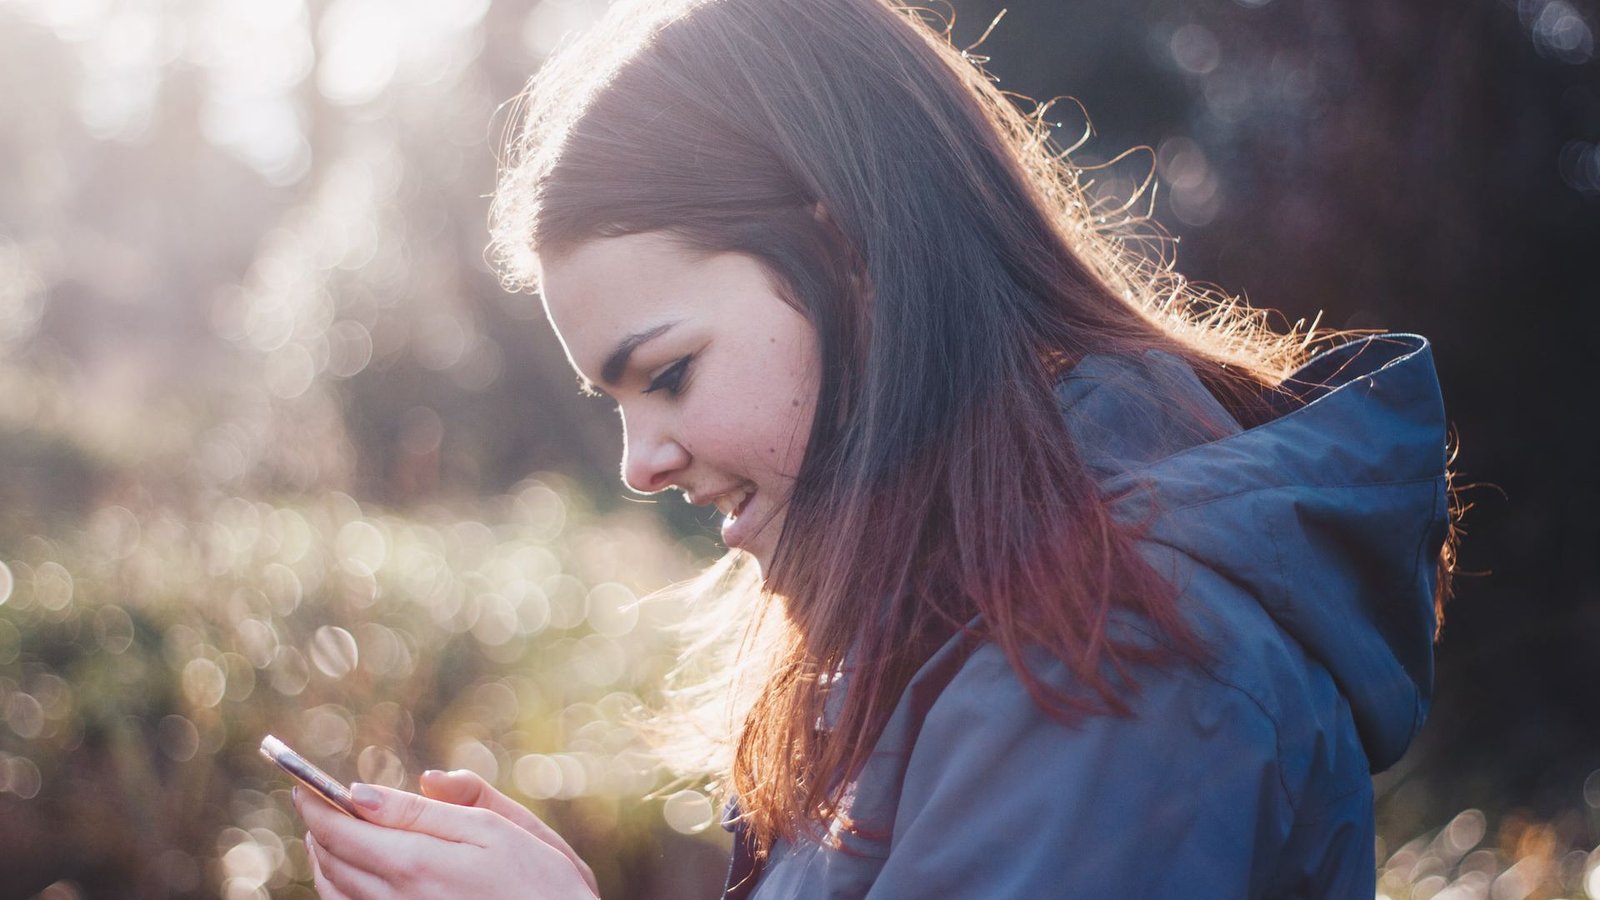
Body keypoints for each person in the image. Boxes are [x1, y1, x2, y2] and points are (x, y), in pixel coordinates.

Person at [293, 0, 1456, 896]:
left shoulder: (1115, 661)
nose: (638, 461)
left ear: (850, 262)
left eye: (668, 374)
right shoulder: (964, 621)